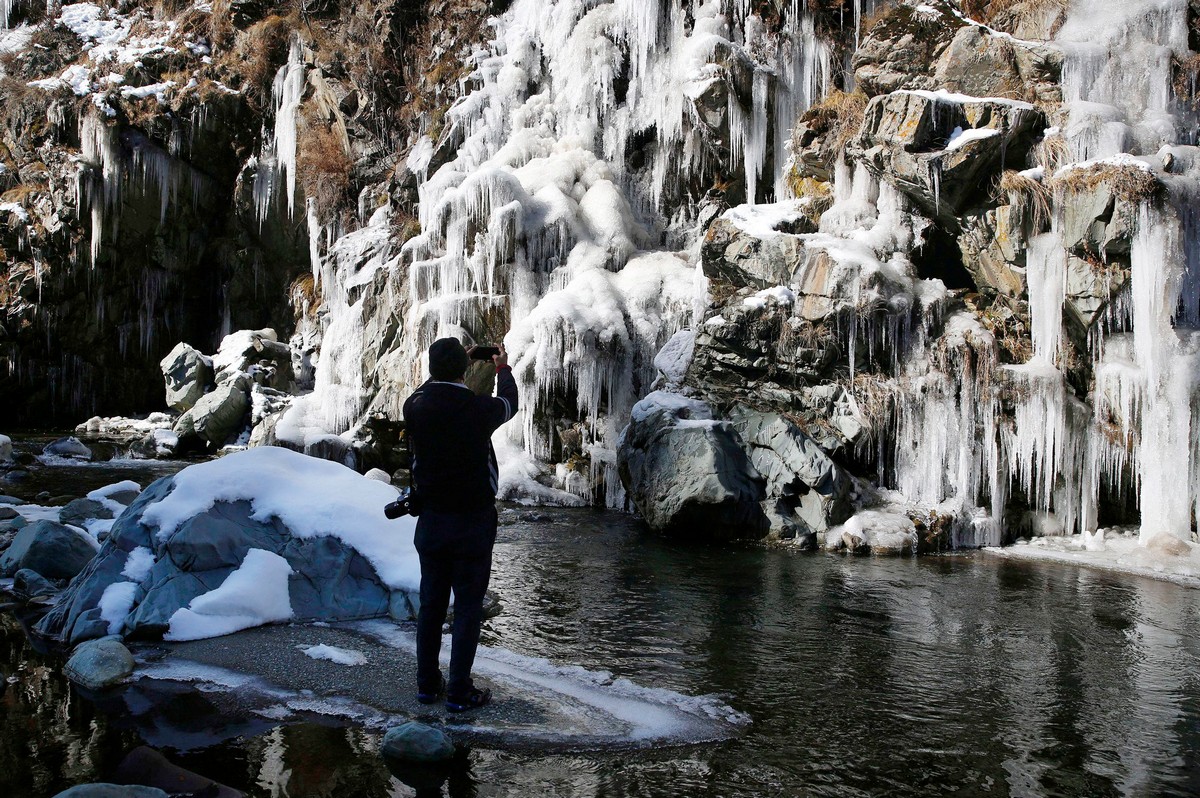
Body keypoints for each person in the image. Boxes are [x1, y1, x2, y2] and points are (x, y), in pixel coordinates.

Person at [402, 337, 518, 712]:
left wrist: (453, 366)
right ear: (465, 370)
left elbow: (426, 389)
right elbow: (509, 403)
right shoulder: (477, 408)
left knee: (431, 606)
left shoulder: (415, 406)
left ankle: (425, 685)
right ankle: (458, 690)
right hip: (472, 522)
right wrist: (501, 368)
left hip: (432, 521)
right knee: (468, 607)